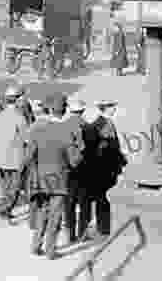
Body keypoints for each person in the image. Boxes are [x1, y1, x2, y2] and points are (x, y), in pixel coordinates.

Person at [22, 92, 84, 259]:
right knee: (55, 216)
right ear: (64, 110)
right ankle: (50, 250)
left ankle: (36, 245)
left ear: (49, 109)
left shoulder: (37, 129)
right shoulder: (65, 131)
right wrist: (80, 150)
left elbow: (27, 157)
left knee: (42, 212)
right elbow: (74, 161)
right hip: (59, 180)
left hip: (41, 179)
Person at [0, 84, 29, 220]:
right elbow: (27, 138)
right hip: (15, 158)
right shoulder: (20, 117)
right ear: (17, 99)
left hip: (1, 158)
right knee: (15, 187)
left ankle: (5, 210)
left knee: (5, 186)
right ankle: (4, 209)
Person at [92, 100, 127, 238]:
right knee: (104, 198)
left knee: (102, 197)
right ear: (105, 108)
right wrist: (121, 160)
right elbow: (110, 148)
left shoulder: (99, 122)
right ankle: (104, 227)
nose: (114, 109)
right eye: (112, 106)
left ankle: (103, 226)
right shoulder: (105, 124)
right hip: (107, 167)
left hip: (102, 167)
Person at [65, 99, 98, 243]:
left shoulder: (62, 127)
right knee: (85, 204)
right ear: (83, 111)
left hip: (68, 171)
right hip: (85, 171)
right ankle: (83, 233)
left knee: (69, 204)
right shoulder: (89, 127)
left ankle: (70, 234)